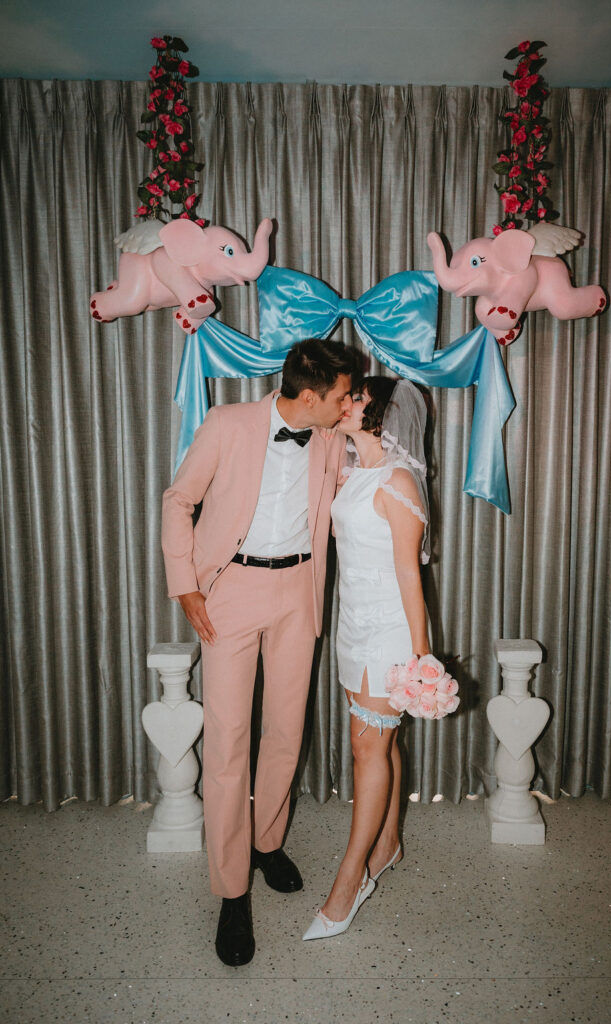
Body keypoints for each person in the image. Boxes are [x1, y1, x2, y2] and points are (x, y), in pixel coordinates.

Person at [161, 338, 357, 966]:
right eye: (341, 396)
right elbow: (178, 500)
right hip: (232, 590)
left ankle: (266, 843)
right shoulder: (228, 423)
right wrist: (185, 584)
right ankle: (231, 890)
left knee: (285, 731)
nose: (347, 404)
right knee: (227, 743)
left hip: (299, 590)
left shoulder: (332, 437)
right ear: (309, 396)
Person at [303, 375, 431, 940]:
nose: (345, 403)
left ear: (380, 414)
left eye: (356, 398)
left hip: (389, 632)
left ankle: (350, 878)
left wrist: (422, 658)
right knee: (382, 744)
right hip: (353, 622)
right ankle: (389, 842)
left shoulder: (398, 481)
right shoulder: (354, 472)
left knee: (366, 749)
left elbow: (410, 574)